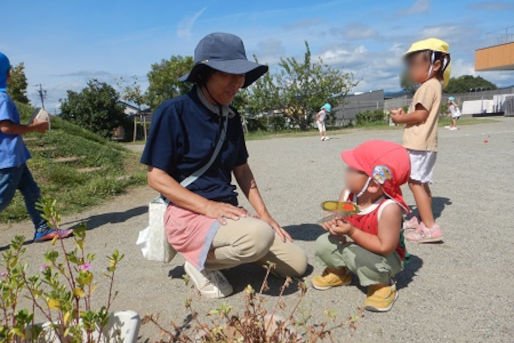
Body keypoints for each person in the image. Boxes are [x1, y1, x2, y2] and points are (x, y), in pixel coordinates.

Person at [141, 33, 307, 298]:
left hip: (227, 212)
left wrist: (264, 215)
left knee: (298, 264)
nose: (237, 83)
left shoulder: (231, 116)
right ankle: (199, 263)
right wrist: (208, 206)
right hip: (188, 212)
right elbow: (156, 177)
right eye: (228, 74)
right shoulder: (174, 111)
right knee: (257, 237)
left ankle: (238, 246)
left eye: (240, 75)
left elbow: (241, 169)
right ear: (204, 74)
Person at [311, 140, 410, 312]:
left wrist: (352, 231)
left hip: (383, 257)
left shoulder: (388, 209)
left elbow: (385, 247)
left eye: (352, 169)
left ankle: (382, 286)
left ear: (372, 185)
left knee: (366, 258)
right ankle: (340, 273)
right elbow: (341, 216)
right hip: (356, 247)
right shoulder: (348, 194)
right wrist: (332, 220)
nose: (346, 171)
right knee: (323, 243)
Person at [0, 52, 73, 242]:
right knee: (2, 199)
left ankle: (42, 229)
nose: (10, 74)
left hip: (15, 157)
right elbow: (6, 127)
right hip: (8, 160)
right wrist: (35, 127)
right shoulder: (2, 99)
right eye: (8, 70)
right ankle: (42, 228)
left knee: (32, 191)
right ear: (5, 73)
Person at [390, 38, 451, 243]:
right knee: (420, 183)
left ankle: (430, 227)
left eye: (415, 65)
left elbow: (420, 116)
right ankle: (421, 220)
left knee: (416, 183)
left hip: (419, 144)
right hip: (424, 144)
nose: (410, 71)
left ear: (434, 65)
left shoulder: (427, 86)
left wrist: (399, 119)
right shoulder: (433, 85)